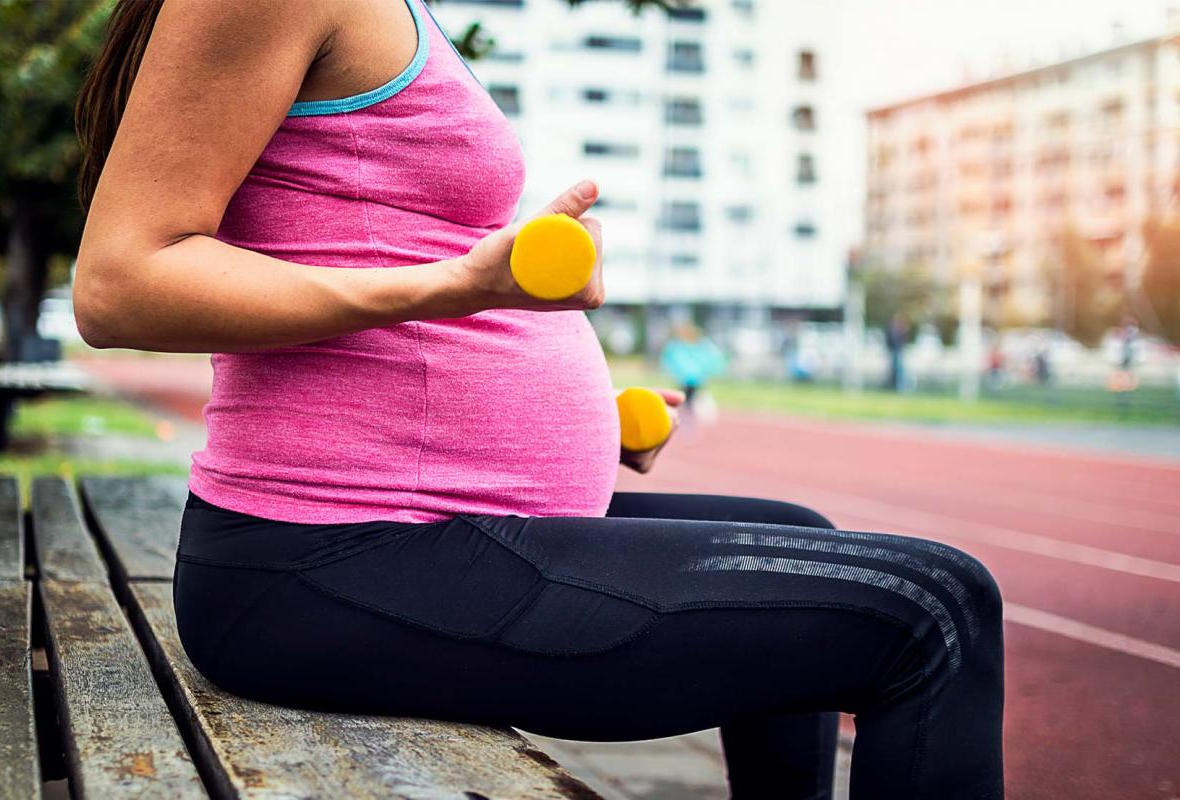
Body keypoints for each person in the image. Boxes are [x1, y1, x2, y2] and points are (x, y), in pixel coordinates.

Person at [72, 2, 1005, 798]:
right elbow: (121, 285)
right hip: (324, 559)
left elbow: (363, 244)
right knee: (937, 607)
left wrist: (585, 419)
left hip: (401, 525)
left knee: (801, 529)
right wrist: (458, 288)